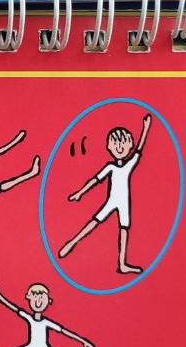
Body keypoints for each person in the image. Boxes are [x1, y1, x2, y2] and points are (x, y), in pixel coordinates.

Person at [58, 114, 153, 274]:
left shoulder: (128, 165)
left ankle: (122, 263)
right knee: (94, 222)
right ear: (109, 146)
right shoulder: (111, 167)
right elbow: (95, 180)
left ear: (129, 144)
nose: (119, 147)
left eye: (123, 143)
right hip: (112, 201)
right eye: (115, 143)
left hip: (123, 204)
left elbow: (139, 149)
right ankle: (71, 243)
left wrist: (145, 128)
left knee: (124, 229)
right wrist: (80, 193)